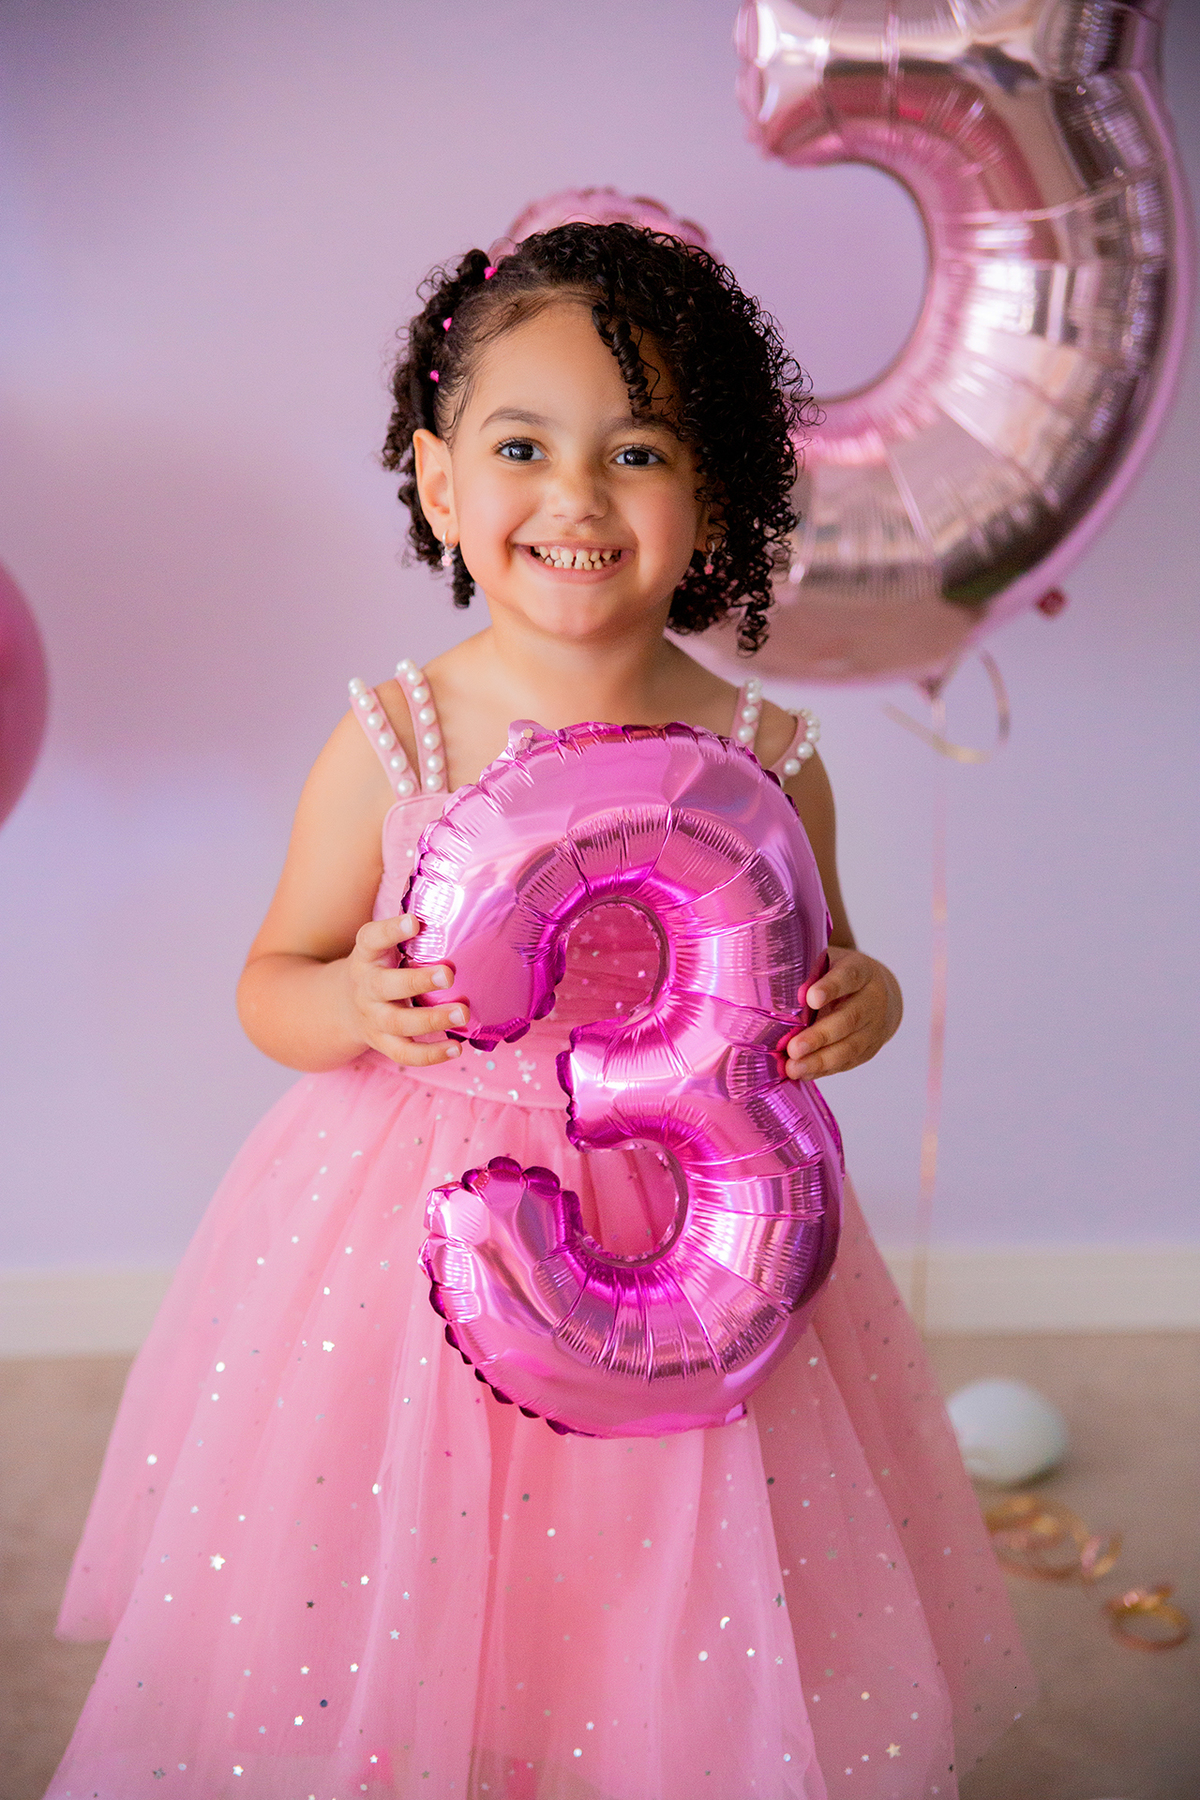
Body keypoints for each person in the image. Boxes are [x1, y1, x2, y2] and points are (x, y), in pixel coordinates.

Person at [49, 223, 1032, 1799]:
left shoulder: (768, 753)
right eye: (523, 448)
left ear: (713, 499)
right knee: (418, 1552)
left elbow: (823, 972)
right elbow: (271, 981)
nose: (576, 497)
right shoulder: (398, 738)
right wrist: (349, 998)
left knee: (667, 1563)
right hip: (421, 1219)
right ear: (442, 486)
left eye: (635, 452)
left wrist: (871, 996)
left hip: (697, 1235)